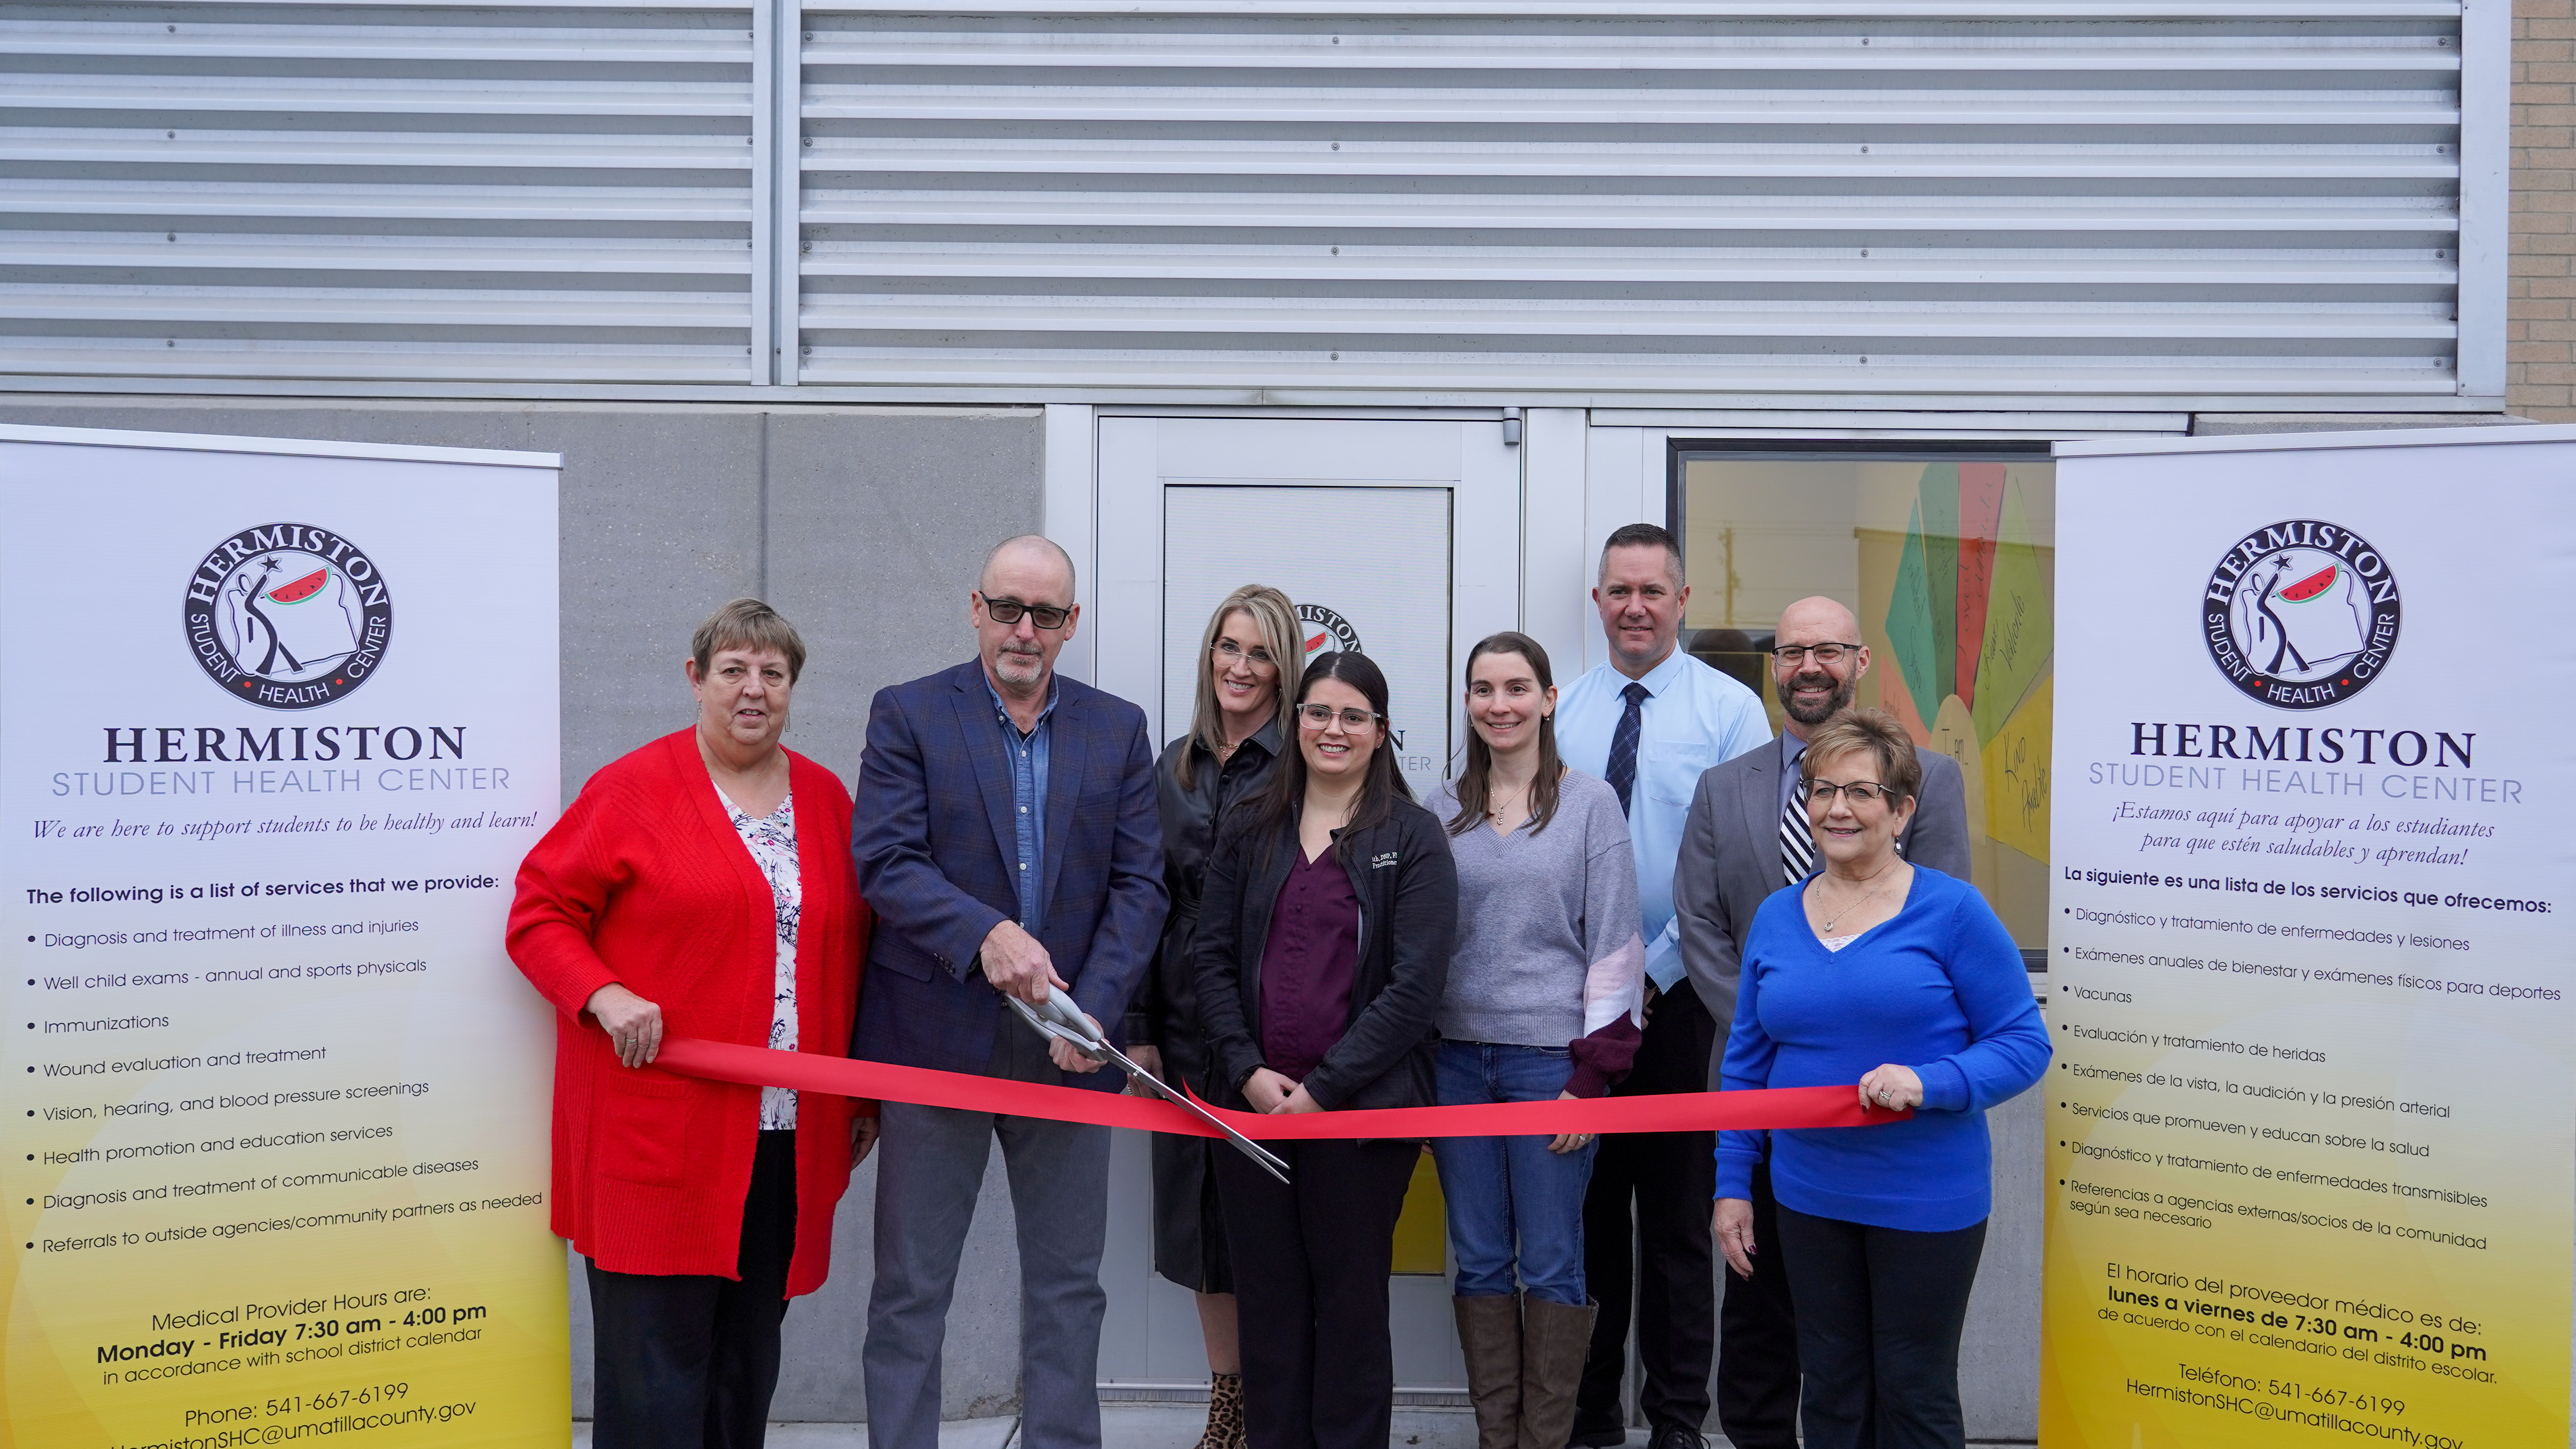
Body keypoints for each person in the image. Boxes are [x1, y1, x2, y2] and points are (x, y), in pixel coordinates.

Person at [507, 599, 873, 1449]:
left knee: (745, 1368)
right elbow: (539, 914)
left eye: (772, 675)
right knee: (655, 1383)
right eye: (733, 671)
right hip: (660, 1137)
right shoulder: (633, 789)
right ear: (695, 681)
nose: (754, 691)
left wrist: (863, 1097)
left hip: (785, 1135)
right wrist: (603, 993)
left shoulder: (825, 799)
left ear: (792, 688)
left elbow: (859, 954)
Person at [851, 535, 1166, 1449]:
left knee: (1069, 1286)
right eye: (1007, 609)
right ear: (975, 608)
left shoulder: (1117, 729)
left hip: (1069, 1050)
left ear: (1073, 625)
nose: (1024, 631)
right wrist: (984, 935)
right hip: (931, 1042)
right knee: (912, 1289)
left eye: (1047, 614)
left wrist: (1092, 1007)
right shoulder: (909, 714)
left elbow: (1140, 886)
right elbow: (885, 860)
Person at [1672, 596, 1972, 1449]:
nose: (1809, 666)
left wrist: (1856, 1031)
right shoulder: (1722, 786)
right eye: (1792, 651)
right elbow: (1700, 923)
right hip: (1758, 1092)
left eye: (1828, 650)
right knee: (1764, 1311)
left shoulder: (1929, 778)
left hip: (1888, 1106)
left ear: (1859, 661)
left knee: (1886, 1356)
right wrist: (1779, 1022)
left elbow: (1943, 932)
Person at [1712, 711, 2049, 1449]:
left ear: (1901, 810)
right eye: (1822, 790)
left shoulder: (1953, 911)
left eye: (1861, 792)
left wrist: (1931, 1082)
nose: (1838, 809)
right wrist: (1733, 1184)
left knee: (1912, 1391)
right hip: (1806, 1195)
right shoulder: (1776, 916)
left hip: (1924, 1197)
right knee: (1828, 1387)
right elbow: (1746, 1065)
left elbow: (2024, 1043)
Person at [1192, 650, 1458, 1449]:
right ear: (1295, 721)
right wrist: (1244, 1070)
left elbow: (1414, 989)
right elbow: (1208, 958)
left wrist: (1322, 1093)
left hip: (1360, 1121)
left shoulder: (1412, 839)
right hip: (1252, 1116)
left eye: (1352, 716)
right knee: (1267, 1302)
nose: (1331, 729)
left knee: (1347, 1305)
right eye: (1317, 713)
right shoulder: (1249, 825)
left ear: (1380, 733)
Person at [1553, 524, 1770, 1449]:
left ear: (1683, 602)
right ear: (1597, 602)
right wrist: (1604, 978)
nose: (1633, 606)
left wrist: (1655, 968)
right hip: (1578, 1008)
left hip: (1686, 1009)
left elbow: (1740, 869)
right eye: (1617, 590)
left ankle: (1677, 1422)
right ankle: (1592, 1416)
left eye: (1652, 590)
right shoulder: (1559, 711)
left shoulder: (1729, 713)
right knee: (1591, 1224)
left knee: (1680, 1231)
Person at [1423, 632, 1644, 1449]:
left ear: (1549, 700)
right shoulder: (1440, 809)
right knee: (1479, 1259)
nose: (1499, 705)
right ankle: (1497, 1437)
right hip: (1454, 1064)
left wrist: (1593, 1078)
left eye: (1517, 688)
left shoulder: (1590, 806)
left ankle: (1544, 1441)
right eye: (1483, 690)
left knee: (1552, 1260)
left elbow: (1617, 948)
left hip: (1551, 1066)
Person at [1125, 584, 1304, 1449]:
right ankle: (1227, 1402)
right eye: (1228, 647)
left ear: (1284, 667)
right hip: (1182, 1025)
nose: (1240, 666)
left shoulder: (1305, 759)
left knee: (1268, 1226)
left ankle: (1278, 1403)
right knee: (1200, 1230)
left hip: (1272, 1027)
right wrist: (1138, 1027)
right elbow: (1139, 899)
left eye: (1259, 651)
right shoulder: (1175, 764)